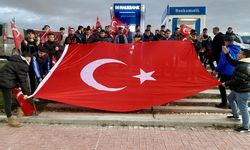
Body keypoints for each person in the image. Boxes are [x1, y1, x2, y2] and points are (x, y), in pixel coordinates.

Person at [222, 47, 250, 133]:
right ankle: (235, 115)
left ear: (244, 56)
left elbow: (239, 80)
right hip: (239, 88)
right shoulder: (243, 63)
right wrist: (227, 54)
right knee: (230, 98)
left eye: (239, 53)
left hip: (243, 90)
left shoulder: (244, 66)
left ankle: (246, 127)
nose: (237, 54)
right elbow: (233, 62)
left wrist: (226, 83)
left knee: (243, 108)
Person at [0, 53, 31, 127]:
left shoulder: (14, 61)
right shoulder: (22, 65)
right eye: (29, 60)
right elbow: (22, 80)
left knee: (12, 96)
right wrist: (25, 93)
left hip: (4, 79)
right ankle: (10, 119)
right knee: (8, 100)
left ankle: (19, 110)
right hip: (6, 82)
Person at [215, 36, 240, 109]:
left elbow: (222, 62)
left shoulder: (226, 49)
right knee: (233, 87)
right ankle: (235, 104)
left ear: (227, 42)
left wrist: (216, 69)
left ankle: (224, 103)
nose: (224, 43)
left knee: (221, 86)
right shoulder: (238, 49)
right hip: (235, 71)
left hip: (226, 71)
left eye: (225, 41)